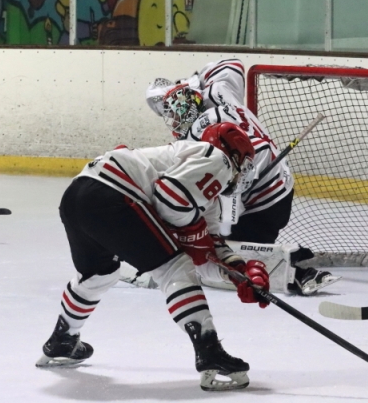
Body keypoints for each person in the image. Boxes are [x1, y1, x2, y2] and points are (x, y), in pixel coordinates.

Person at [36, 123, 271, 391]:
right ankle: (209, 352)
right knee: (175, 268)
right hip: (114, 196)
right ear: (234, 154)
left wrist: (237, 271)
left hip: (77, 197)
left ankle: (62, 340)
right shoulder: (217, 158)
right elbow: (170, 201)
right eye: (245, 163)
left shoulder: (202, 186)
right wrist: (191, 234)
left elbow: (206, 253)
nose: (242, 174)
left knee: (98, 275)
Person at [145, 58, 339, 295]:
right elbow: (232, 64)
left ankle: (298, 275)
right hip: (282, 186)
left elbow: (225, 201)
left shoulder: (199, 138)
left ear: (186, 108)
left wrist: (217, 237)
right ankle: (287, 258)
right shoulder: (218, 91)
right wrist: (193, 82)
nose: (172, 121)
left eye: (173, 114)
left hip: (260, 203)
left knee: (222, 259)